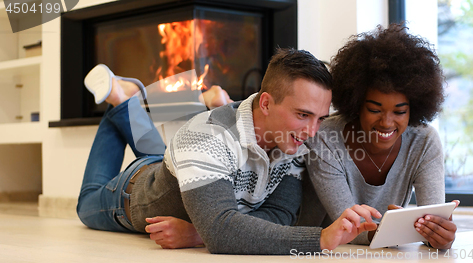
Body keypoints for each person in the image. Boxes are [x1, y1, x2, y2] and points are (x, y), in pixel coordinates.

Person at [76, 48, 381, 255]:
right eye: (303, 115)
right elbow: (221, 232)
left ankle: (128, 100)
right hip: (131, 195)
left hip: (185, 166)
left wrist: (199, 233)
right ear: (265, 103)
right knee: (86, 203)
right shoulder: (206, 137)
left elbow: (280, 215)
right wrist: (320, 238)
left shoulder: (294, 140)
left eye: (320, 118)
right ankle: (120, 102)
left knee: (167, 154)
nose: (313, 132)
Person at [303, 24, 458, 250]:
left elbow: (432, 220)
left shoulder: (424, 142)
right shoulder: (325, 136)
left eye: (399, 112)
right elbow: (346, 227)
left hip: (382, 252)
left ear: (413, 109)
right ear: (356, 105)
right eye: (375, 110)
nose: (386, 122)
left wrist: (438, 234)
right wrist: (401, 229)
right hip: (318, 251)